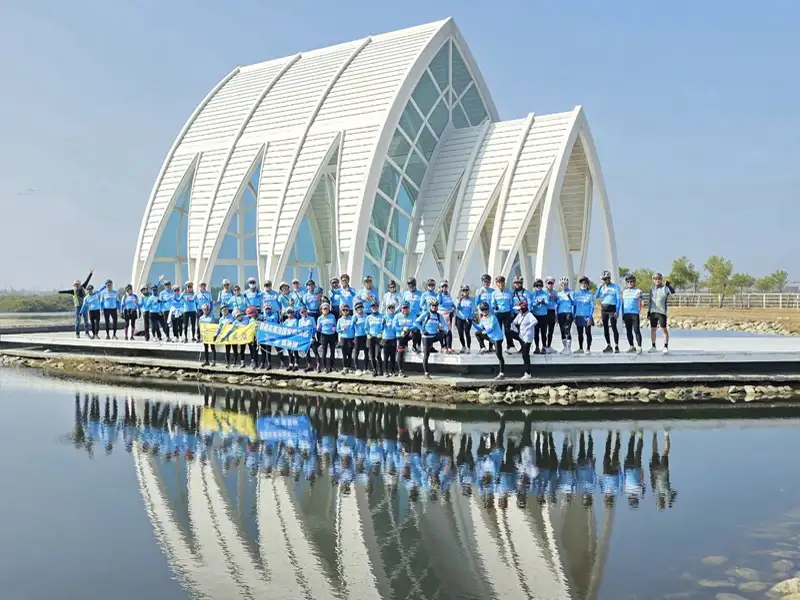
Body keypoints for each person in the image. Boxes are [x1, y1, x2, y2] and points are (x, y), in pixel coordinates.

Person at [416, 298, 449, 379]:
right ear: (430, 306)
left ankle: (444, 347)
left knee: (445, 333)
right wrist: (423, 330)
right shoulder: (426, 314)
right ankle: (426, 373)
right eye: (433, 305)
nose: (434, 307)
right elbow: (416, 322)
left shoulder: (438, 315)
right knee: (426, 355)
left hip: (434, 336)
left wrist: (447, 330)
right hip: (426, 337)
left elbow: (444, 325)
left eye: (435, 306)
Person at [58, 268, 93, 338]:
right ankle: (77, 334)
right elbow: (66, 291)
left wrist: (91, 273)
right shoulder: (73, 291)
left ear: (80, 284)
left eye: (77, 284)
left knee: (86, 320)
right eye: (75, 284)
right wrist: (59, 292)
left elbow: (87, 280)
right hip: (78, 307)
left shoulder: (83, 287)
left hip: (84, 306)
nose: (76, 285)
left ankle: (87, 333)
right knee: (78, 321)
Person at [474, 301, 505, 380]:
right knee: (477, 333)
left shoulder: (493, 317)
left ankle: (501, 373)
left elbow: (491, 328)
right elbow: (479, 328)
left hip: (497, 338)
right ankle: (483, 347)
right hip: (491, 337)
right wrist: (472, 322)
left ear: (489, 309)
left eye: (486, 309)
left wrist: (485, 332)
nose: (484, 311)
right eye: (482, 310)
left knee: (499, 355)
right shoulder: (483, 318)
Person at [648, 272, 675, 354]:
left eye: (659, 279)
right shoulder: (651, 289)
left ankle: (665, 346)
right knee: (653, 329)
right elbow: (650, 300)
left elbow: (673, 292)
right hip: (653, 312)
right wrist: (648, 311)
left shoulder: (664, 288)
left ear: (661, 280)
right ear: (653, 280)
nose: (657, 280)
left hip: (661, 312)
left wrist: (669, 286)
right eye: (655, 279)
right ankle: (653, 346)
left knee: (664, 329)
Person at [596, 270, 622, 353]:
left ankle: (616, 346)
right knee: (605, 328)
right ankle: (609, 345)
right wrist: (600, 287)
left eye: (606, 279)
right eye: (603, 279)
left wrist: (617, 311)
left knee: (614, 327)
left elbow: (619, 299)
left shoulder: (615, 287)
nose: (604, 281)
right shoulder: (603, 287)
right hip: (604, 308)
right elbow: (596, 296)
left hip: (612, 308)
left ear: (609, 278)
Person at [650, 430, 677, 509]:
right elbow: (652, 480)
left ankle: (666, 434)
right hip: (655, 471)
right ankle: (654, 434)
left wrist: (670, 503)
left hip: (663, 471)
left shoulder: (666, 492)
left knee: (665, 452)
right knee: (654, 452)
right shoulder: (656, 491)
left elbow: (674, 494)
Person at [511, 300, 536, 379]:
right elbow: (514, 322)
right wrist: (514, 328)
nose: (519, 311)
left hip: (527, 338)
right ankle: (511, 346)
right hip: (521, 336)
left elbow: (535, 321)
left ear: (524, 308)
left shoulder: (529, 315)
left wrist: (527, 328)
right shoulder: (519, 315)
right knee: (508, 332)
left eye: (520, 309)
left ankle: (528, 373)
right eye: (518, 309)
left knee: (525, 355)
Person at [491, 275, 516, 353]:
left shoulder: (509, 292)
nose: (501, 284)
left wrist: (512, 313)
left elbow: (511, 304)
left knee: (507, 330)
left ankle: (510, 346)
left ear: (504, 283)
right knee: (498, 330)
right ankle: (498, 346)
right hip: (498, 313)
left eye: (502, 282)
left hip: (507, 313)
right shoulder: (494, 293)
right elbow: (492, 303)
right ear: (497, 283)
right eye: (499, 282)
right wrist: (495, 307)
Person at [621, 274, 643, 354]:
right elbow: (622, 304)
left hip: (635, 314)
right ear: (626, 283)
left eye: (631, 281)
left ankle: (639, 347)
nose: (630, 283)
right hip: (626, 314)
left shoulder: (638, 291)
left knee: (636, 330)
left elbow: (641, 302)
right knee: (628, 331)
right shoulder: (624, 292)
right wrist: (622, 314)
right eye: (628, 282)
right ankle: (631, 346)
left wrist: (639, 310)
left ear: (634, 282)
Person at [393, 301, 416, 377]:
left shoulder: (412, 315)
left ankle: (415, 346)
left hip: (409, 334)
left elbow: (416, 325)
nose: (404, 310)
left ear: (409, 308)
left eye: (406, 308)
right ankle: (400, 371)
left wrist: (410, 329)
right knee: (400, 353)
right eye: (403, 308)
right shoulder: (397, 316)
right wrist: (402, 328)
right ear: (401, 308)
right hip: (401, 336)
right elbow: (394, 327)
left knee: (417, 331)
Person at [573, 277, 594, 354]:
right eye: (582, 283)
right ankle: (580, 348)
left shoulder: (589, 295)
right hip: (578, 316)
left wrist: (590, 317)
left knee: (588, 333)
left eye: (585, 283)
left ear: (588, 285)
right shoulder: (576, 294)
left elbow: (592, 307)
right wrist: (573, 316)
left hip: (587, 316)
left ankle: (588, 348)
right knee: (580, 333)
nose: (583, 284)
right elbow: (574, 306)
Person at [529, 278, 549, 354]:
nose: (538, 287)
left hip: (544, 315)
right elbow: (531, 304)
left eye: (540, 285)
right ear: (534, 286)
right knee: (536, 332)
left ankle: (544, 347)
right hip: (535, 315)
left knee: (544, 332)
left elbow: (548, 303)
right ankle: (537, 347)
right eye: (536, 285)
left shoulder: (545, 293)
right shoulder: (532, 294)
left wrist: (543, 302)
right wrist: (535, 304)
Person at [258, 303, 280, 370]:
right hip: (263, 335)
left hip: (271, 334)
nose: (267, 310)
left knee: (268, 349)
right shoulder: (262, 315)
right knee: (262, 350)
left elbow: (274, 321)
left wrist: (264, 320)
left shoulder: (275, 314)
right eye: (266, 309)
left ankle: (269, 364)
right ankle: (262, 363)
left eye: (268, 309)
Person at [402, 278, 423, 353]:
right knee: (406, 330)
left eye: (412, 285)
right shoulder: (405, 293)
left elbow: (423, 305)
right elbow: (402, 304)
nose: (411, 287)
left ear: (415, 285)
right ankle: (405, 345)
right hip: (408, 315)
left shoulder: (420, 294)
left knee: (417, 330)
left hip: (417, 315)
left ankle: (416, 345)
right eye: (409, 286)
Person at [556, 277, 575, 354]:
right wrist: (556, 316)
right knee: (562, 330)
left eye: (565, 284)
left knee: (567, 329)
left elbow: (573, 303)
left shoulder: (572, 292)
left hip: (568, 312)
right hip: (560, 313)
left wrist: (569, 296)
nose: (564, 286)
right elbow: (557, 305)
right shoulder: (559, 294)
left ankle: (569, 348)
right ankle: (565, 348)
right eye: (562, 285)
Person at [317, 302, 337, 373]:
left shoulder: (332, 316)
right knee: (324, 352)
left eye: (327, 308)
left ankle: (332, 366)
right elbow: (318, 329)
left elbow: (334, 324)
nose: (326, 310)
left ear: (329, 309)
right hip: (324, 335)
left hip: (332, 335)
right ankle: (325, 367)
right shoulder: (320, 318)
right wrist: (318, 328)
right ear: (321, 310)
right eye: (324, 309)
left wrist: (334, 328)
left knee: (332, 351)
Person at [297, 306, 319, 372]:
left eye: (304, 311)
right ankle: (310, 366)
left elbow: (314, 328)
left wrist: (313, 337)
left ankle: (318, 365)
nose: (303, 313)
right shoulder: (300, 321)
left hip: (311, 337)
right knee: (307, 352)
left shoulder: (311, 318)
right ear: (300, 313)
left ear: (307, 311)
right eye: (302, 312)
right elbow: (299, 330)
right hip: (304, 339)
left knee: (315, 351)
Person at [366, 302, 385, 376]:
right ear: (371, 308)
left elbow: (384, 326)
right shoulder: (368, 317)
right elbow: (366, 328)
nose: (374, 308)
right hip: (371, 337)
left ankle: (381, 370)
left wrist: (381, 332)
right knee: (372, 355)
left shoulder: (382, 316)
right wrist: (367, 333)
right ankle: (374, 370)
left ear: (378, 307)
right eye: (373, 307)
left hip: (379, 337)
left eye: (376, 307)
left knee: (378, 355)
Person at [455, 285, 475, 354]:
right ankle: (463, 346)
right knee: (460, 332)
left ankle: (468, 347)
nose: (465, 292)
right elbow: (457, 308)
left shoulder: (471, 300)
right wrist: (459, 301)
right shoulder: (458, 299)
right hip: (459, 317)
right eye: (463, 290)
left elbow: (472, 310)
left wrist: (469, 317)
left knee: (467, 332)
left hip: (467, 318)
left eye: (466, 290)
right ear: (461, 291)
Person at [336, 304, 356, 374]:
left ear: (349, 311)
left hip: (351, 338)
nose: (345, 311)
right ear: (341, 311)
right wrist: (342, 329)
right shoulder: (340, 320)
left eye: (346, 310)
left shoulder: (352, 318)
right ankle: (345, 367)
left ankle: (349, 367)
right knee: (344, 354)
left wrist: (355, 338)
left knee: (350, 354)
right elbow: (337, 330)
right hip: (343, 338)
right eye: (343, 310)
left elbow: (355, 328)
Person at [438, 280, 456, 353]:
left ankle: (449, 346)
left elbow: (451, 303)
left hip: (449, 314)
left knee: (449, 331)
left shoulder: (448, 295)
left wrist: (454, 307)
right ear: (440, 287)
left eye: (446, 286)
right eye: (443, 286)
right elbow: (439, 302)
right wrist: (439, 293)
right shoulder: (440, 295)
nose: (444, 287)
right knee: (442, 330)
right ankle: (443, 346)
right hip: (442, 314)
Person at [382, 303, 398, 376]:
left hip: (393, 339)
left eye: (392, 308)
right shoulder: (384, 317)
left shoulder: (396, 316)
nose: (391, 310)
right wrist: (382, 324)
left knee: (393, 356)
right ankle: (385, 371)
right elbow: (381, 328)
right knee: (386, 356)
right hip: (386, 339)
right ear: (387, 310)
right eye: (390, 308)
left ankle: (393, 371)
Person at [543, 277, 558, 353]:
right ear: (546, 283)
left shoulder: (555, 292)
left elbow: (557, 302)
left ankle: (549, 345)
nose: (550, 285)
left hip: (552, 311)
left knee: (551, 330)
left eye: (551, 283)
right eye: (549, 283)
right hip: (545, 312)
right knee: (544, 330)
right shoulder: (543, 291)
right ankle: (544, 346)